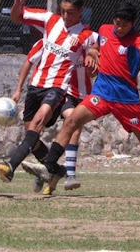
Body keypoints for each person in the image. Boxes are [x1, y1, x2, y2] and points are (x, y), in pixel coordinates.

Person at [21, 2, 140, 199]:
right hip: (101, 94)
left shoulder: (137, 40)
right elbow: (94, 46)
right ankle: (49, 167)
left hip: (127, 100)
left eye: (124, 25)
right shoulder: (104, 30)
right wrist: (92, 53)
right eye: (117, 23)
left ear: (133, 24)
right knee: (71, 120)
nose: (119, 28)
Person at [0, 0, 98, 187]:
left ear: (80, 11)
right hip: (35, 86)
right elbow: (16, 17)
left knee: (37, 124)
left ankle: (10, 166)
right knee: (32, 135)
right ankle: (57, 171)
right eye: (63, 11)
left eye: (70, 12)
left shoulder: (85, 34)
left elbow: (94, 47)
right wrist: (17, 3)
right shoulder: (50, 20)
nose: (65, 16)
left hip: (56, 88)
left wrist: (91, 55)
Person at [11, 38, 92, 194]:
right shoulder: (49, 42)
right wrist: (19, 89)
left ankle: (60, 172)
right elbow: (30, 61)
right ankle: (49, 167)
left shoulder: (88, 44)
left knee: (74, 124)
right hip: (60, 91)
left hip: (81, 94)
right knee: (32, 131)